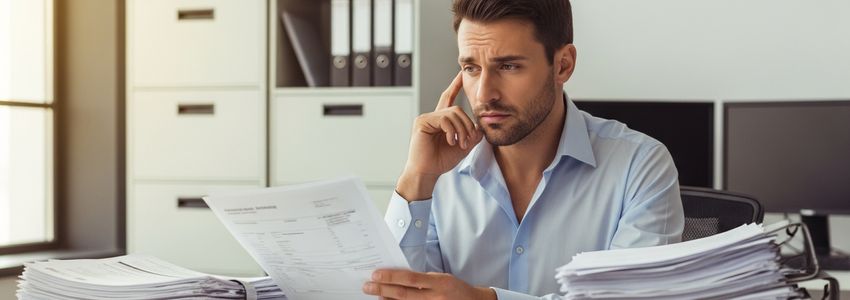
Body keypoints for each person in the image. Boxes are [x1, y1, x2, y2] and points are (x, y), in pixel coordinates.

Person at [362, 0, 684, 299]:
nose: (484, 94)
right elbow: (390, 290)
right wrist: (417, 178)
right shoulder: (440, 173)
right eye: (471, 68)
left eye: (508, 67)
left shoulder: (639, 167)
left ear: (563, 65)